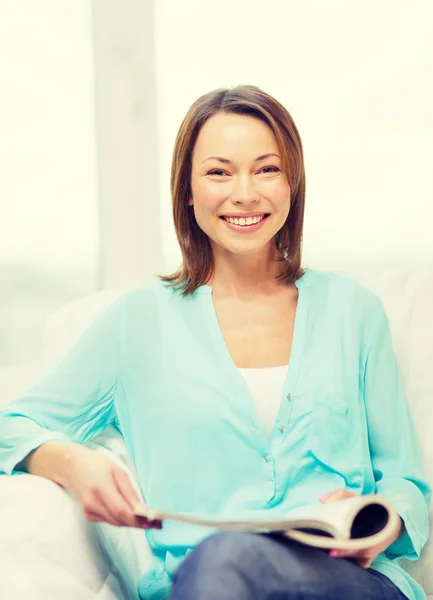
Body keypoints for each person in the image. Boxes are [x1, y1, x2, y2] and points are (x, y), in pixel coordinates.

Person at [0, 84, 430, 600]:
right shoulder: (136, 322)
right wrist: (72, 462)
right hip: (203, 581)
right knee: (222, 559)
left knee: (229, 559)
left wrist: (378, 523)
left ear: (292, 181)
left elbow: (407, 484)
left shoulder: (353, 312)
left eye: (266, 169)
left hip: (345, 582)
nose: (245, 193)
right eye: (219, 172)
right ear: (187, 189)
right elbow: (13, 424)